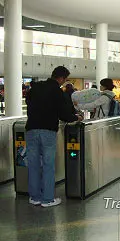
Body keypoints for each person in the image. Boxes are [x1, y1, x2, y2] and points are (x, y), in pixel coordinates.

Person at [26, 66, 83, 207]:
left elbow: (28, 103)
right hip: (47, 131)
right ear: (62, 78)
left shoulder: (35, 87)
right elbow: (63, 114)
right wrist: (75, 117)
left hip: (31, 129)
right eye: (64, 80)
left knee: (33, 164)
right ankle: (47, 199)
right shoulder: (56, 91)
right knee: (48, 165)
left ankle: (34, 197)